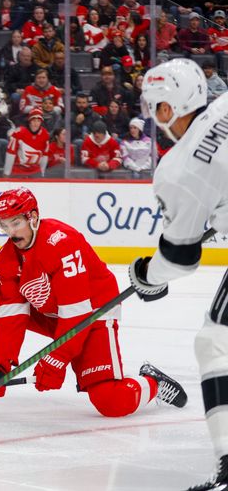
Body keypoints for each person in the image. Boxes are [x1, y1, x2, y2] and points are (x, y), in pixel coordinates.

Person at [0, 187, 188, 419]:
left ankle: (153, 382)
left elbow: (78, 313)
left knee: (111, 402)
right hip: (52, 314)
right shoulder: (7, 258)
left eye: (16, 223)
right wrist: (0, 360)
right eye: (4, 225)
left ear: (32, 217)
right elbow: (13, 314)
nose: (11, 233)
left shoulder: (61, 242)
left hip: (92, 315)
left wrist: (57, 358)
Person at [128, 58, 228, 490]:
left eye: (158, 108)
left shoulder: (180, 168)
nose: (154, 117)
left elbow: (181, 258)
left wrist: (149, 274)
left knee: (216, 342)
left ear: (169, 108)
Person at [3, 109, 50, 177]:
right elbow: (10, 153)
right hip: (18, 170)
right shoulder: (19, 132)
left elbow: (45, 155)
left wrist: (42, 172)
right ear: (29, 121)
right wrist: (7, 173)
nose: (36, 123)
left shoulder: (45, 134)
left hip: (35, 171)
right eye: (33, 120)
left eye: (38, 121)